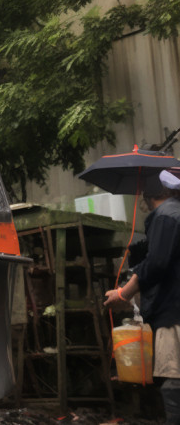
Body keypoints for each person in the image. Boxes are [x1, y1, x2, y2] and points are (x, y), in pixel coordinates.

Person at [105, 171, 180, 424]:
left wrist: (124, 292)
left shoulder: (166, 216)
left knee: (173, 383)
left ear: (150, 193)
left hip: (174, 314)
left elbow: (157, 263)